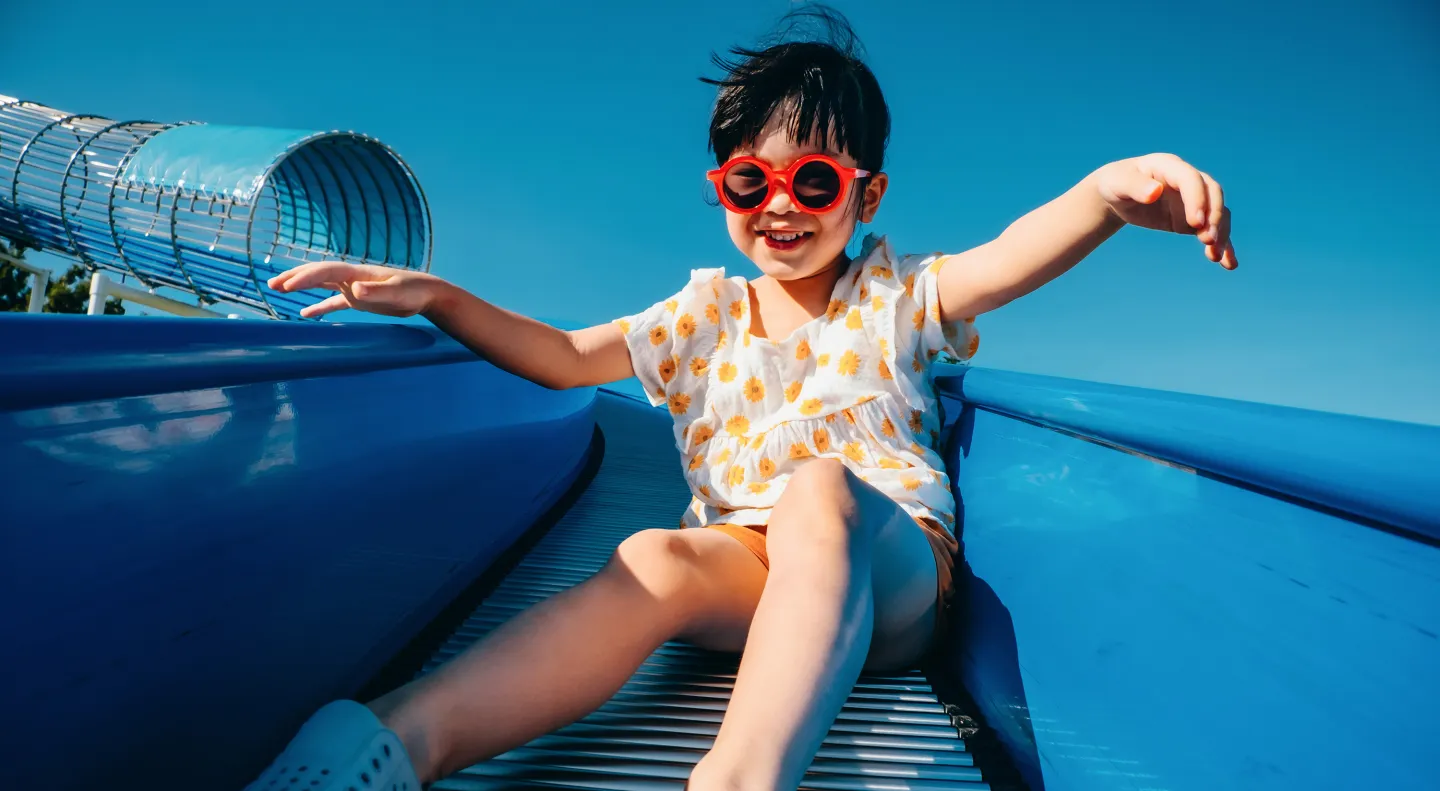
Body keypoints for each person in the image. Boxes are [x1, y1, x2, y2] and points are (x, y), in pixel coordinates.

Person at [243, 6, 1235, 790]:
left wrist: (1103, 197)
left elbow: (1007, 258)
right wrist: (437, 296)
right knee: (653, 556)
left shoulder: (894, 293)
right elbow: (564, 357)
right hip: (749, 567)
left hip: (884, 574)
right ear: (722, 189)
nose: (781, 205)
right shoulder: (700, 315)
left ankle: (740, 776)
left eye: (815, 180)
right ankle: (396, 740)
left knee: (820, 489)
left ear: (866, 194)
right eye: (750, 181)